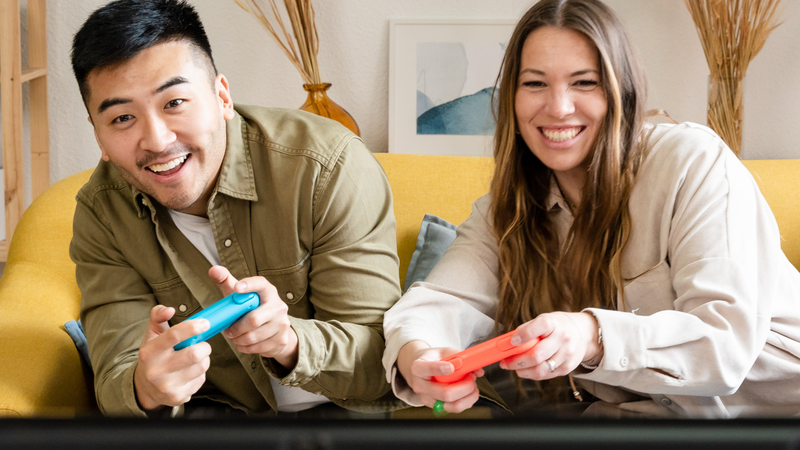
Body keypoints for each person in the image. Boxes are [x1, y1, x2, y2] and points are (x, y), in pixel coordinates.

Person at [383, 0, 800, 418]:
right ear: (511, 98)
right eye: (535, 83)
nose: (558, 107)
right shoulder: (509, 209)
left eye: (584, 82)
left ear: (622, 92)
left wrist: (590, 335)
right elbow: (437, 303)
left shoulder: (693, 162)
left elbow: (723, 348)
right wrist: (418, 357)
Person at [69, 0, 403, 418]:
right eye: (122, 118)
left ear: (222, 96)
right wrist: (146, 388)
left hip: (343, 416)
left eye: (174, 102)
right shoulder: (101, 213)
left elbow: (380, 364)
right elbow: (115, 382)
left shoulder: (327, 166)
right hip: (214, 420)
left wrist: (288, 341)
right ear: (98, 136)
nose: (156, 140)